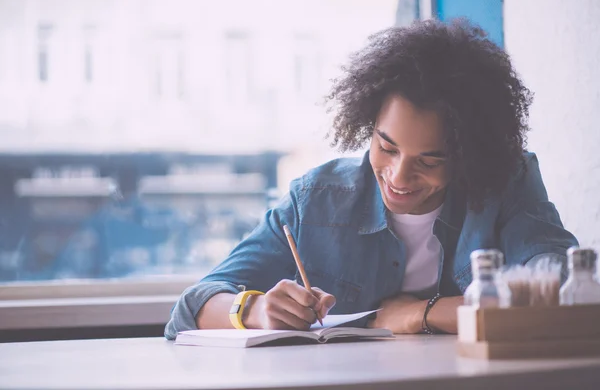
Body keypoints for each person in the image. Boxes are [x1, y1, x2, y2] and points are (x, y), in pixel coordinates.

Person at [165, 18, 578, 339]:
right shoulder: (317, 199)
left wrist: (416, 314)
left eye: (429, 161)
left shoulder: (506, 181)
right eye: (387, 146)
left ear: (470, 155)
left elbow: (558, 287)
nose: (398, 176)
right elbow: (188, 309)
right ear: (368, 123)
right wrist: (253, 311)